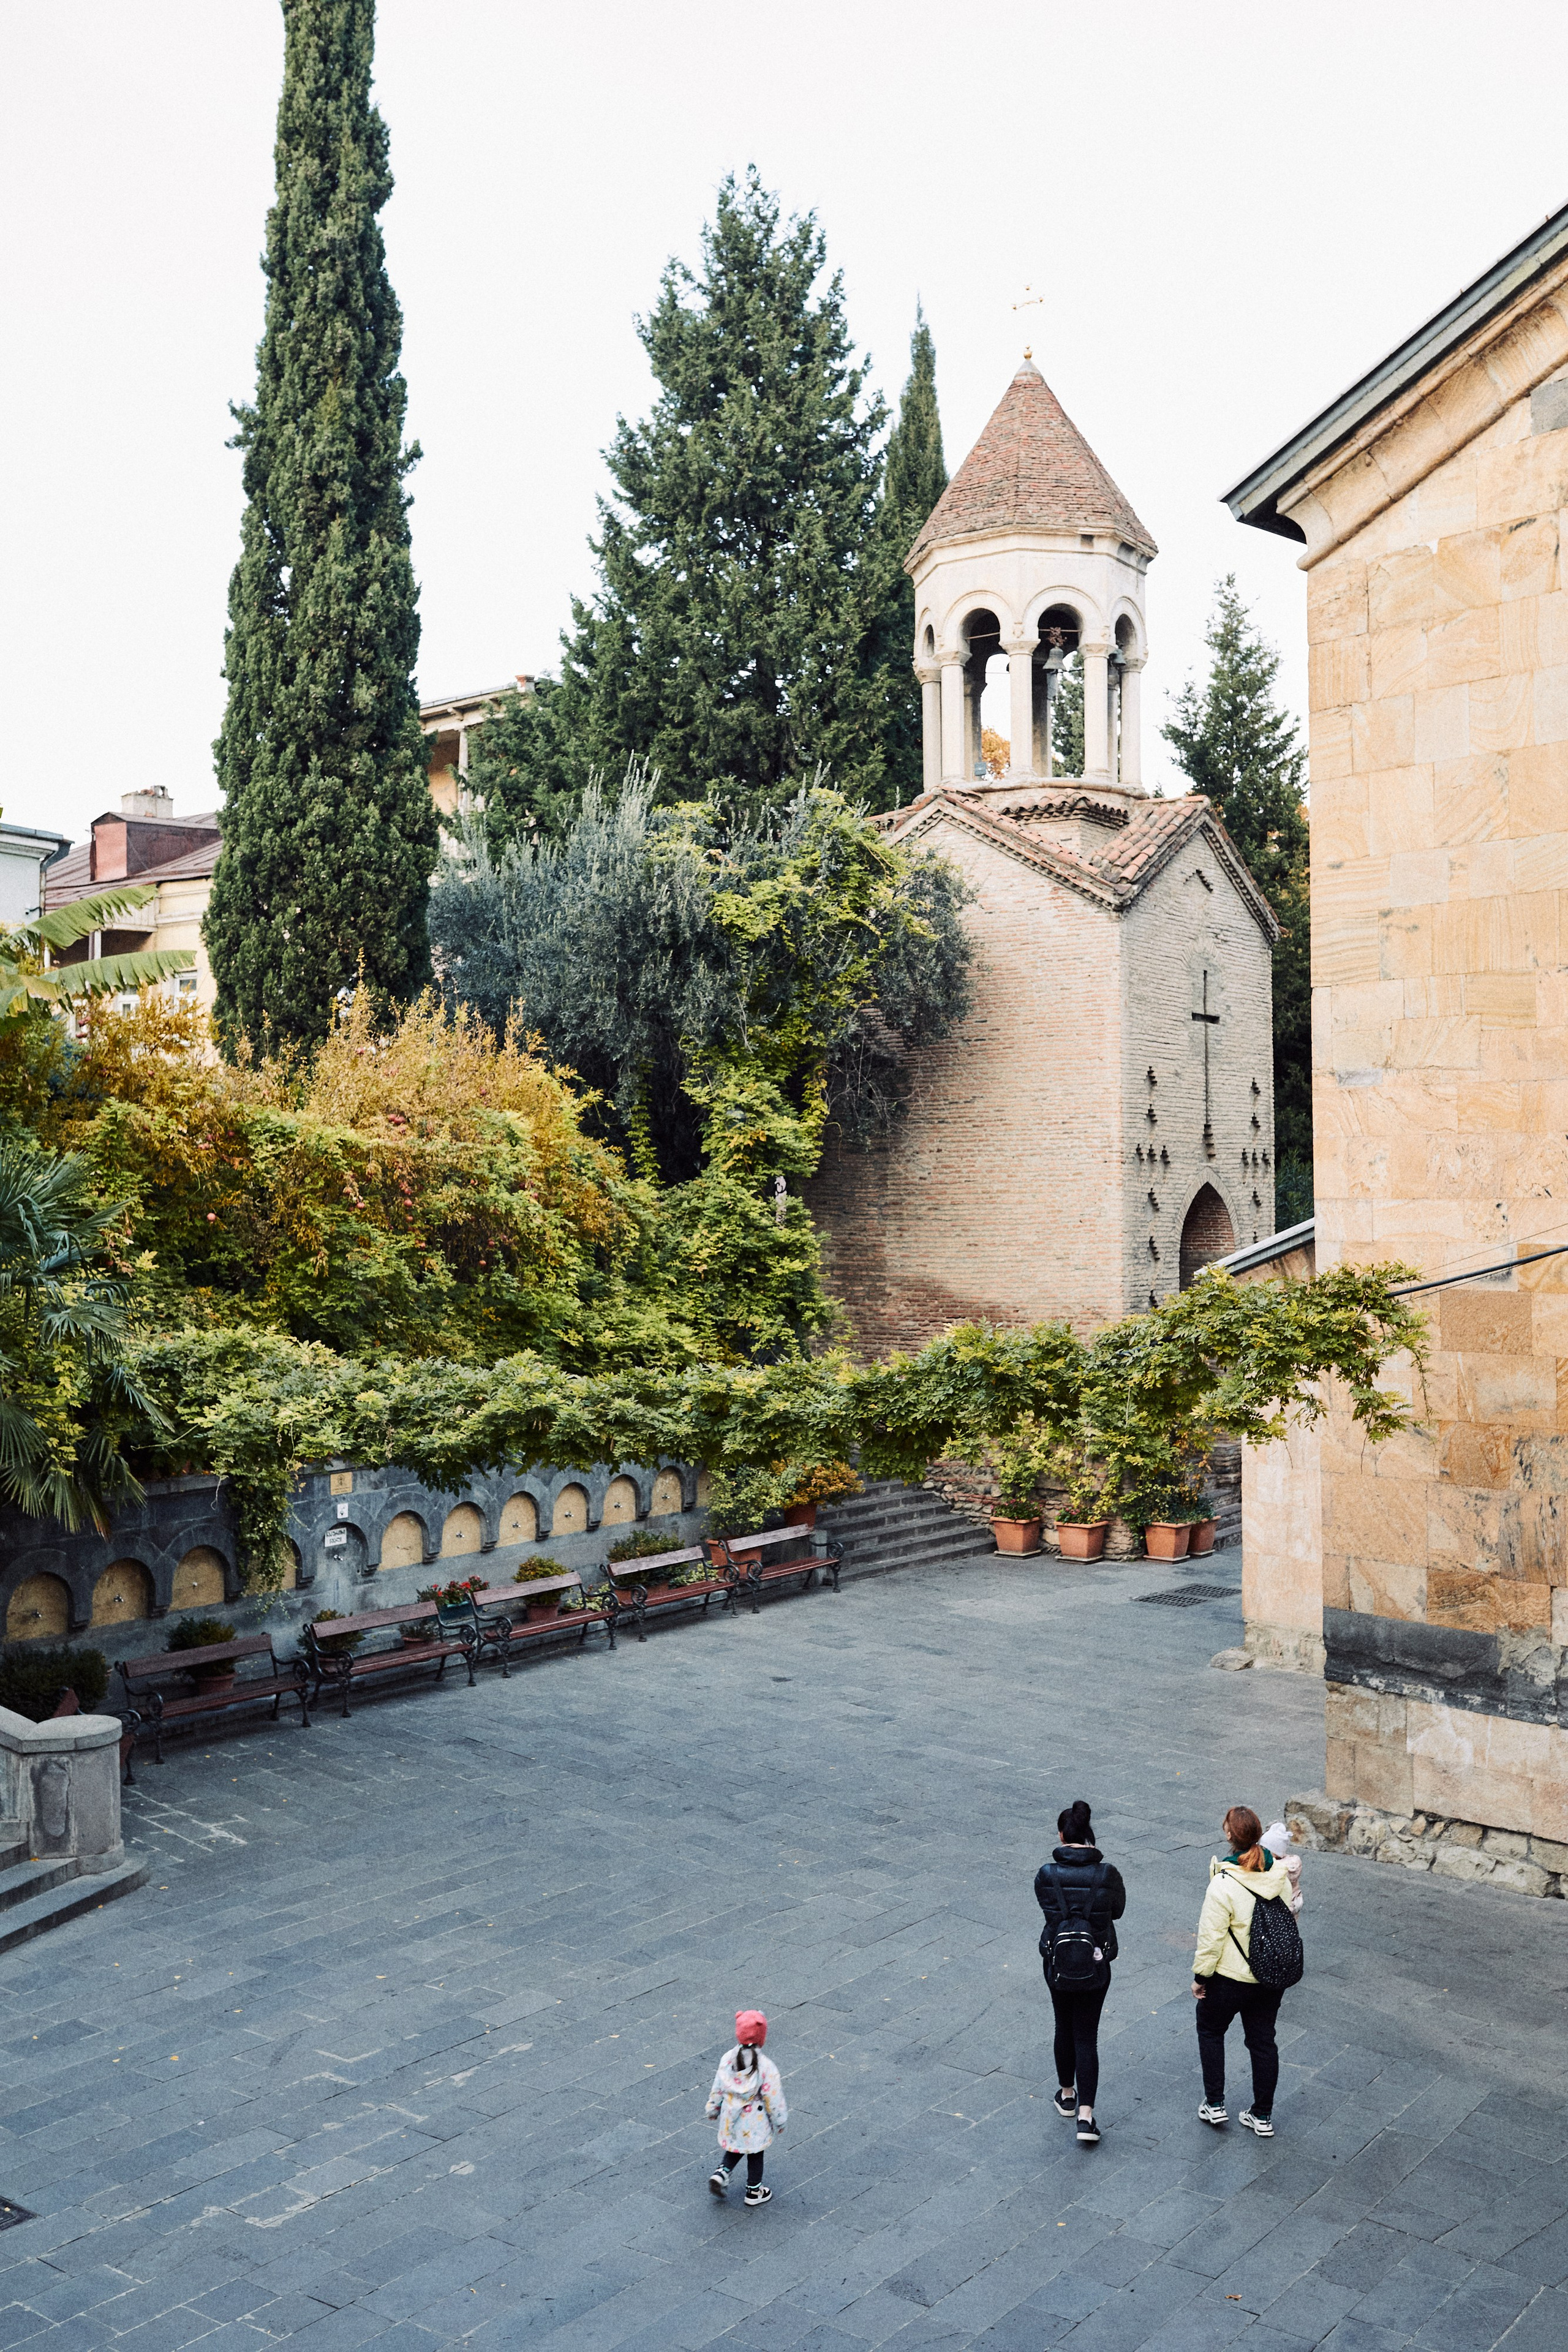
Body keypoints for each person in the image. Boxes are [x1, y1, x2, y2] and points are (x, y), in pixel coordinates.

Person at [1192, 1804, 1297, 2138]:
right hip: (1269, 1978)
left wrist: (1200, 1977)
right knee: (1263, 2042)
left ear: (1228, 1835)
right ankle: (1262, 2115)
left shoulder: (1223, 1883)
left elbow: (1211, 1939)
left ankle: (1215, 2104)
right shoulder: (1278, 1876)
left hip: (1229, 1978)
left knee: (1211, 2030)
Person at [1034, 1798, 1126, 2146]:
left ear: (1061, 1835)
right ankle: (1086, 2117)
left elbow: (1047, 1910)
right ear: (1089, 1835)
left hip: (1057, 1962)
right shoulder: (1107, 1873)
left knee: (1063, 2024)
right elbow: (1117, 1911)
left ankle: (1067, 2094)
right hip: (1096, 1962)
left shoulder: (1046, 1874)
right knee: (1087, 2036)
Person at [706, 2009, 786, 2204]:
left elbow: (718, 2087)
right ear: (761, 2037)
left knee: (736, 2147)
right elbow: (773, 2097)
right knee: (756, 2154)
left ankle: (722, 2172)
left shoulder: (727, 2059)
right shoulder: (766, 2067)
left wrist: (713, 2108)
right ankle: (754, 2191)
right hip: (755, 2123)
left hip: (731, 2117)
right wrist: (780, 2120)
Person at [1262, 1819, 1305, 1915]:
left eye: (1265, 1849)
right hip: (1293, 1904)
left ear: (1274, 1852)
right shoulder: (1292, 1863)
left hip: (1280, 1910)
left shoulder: (1276, 1869)